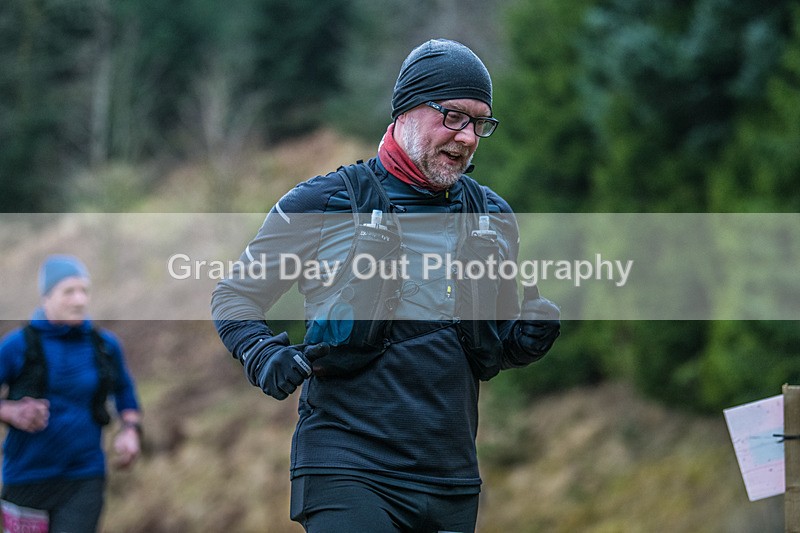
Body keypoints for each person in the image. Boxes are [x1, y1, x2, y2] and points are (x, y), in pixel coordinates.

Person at [212, 38, 560, 533]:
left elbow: (489, 348)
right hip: (346, 468)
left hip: (451, 481)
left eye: (480, 123)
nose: (467, 137)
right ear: (406, 110)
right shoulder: (325, 201)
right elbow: (235, 296)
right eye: (453, 117)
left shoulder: (492, 216)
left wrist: (523, 342)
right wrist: (261, 353)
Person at [0, 254, 142, 533]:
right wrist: (11, 411)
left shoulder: (104, 345)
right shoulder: (17, 345)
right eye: (69, 292)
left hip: (85, 475)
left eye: (84, 291)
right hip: (26, 478)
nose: (79, 300)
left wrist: (130, 430)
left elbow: (124, 390)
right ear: (46, 296)